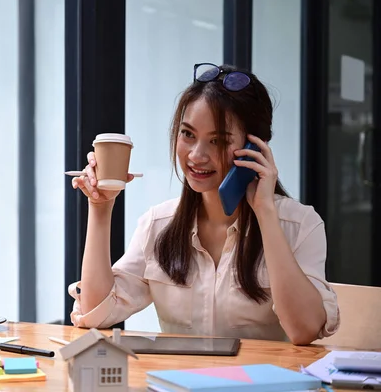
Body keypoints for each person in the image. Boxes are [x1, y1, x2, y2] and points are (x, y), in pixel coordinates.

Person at [68, 63, 340, 346]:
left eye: (218, 140)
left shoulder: (300, 224)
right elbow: (95, 312)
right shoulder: (158, 224)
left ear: (256, 148)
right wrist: (100, 209)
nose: (197, 155)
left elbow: (304, 330)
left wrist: (265, 213)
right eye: (188, 134)